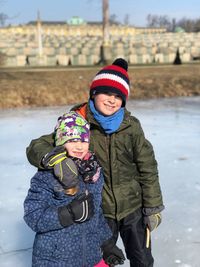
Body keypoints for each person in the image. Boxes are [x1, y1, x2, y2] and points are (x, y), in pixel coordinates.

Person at [26, 58, 165, 267]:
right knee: (102, 259)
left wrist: (153, 206)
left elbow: (147, 166)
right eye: (107, 93)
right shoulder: (78, 122)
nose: (112, 100)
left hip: (132, 206)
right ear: (94, 93)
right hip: (100, 209)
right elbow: (37, 146)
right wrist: (56, 159)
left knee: (143, 259)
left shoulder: (131, 127)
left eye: (118, 96)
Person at [24, 111, 125, 267]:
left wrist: (107, 244)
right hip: (55, 260)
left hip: (90, 257)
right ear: (60, 142)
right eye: (72, 140)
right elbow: (33, 216)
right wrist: (68, 214)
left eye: (84, 141)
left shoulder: (94, 173)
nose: (79, 146)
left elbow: (97, 213)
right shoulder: (47, 175)